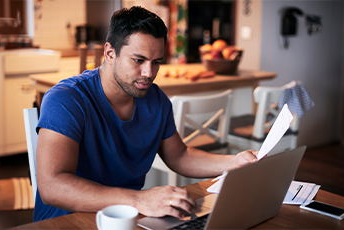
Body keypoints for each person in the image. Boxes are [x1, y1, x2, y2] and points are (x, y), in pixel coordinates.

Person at [33, 6, 258, 222]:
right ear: (110, 53)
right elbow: (52, 186)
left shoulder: (156, 99)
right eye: (138, 60)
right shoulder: (66, 99)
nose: (148, 73)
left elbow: (179, 156)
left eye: (156, 62)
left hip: (128, 217)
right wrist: (139, 200)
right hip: (67, 222)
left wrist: (235, 162)